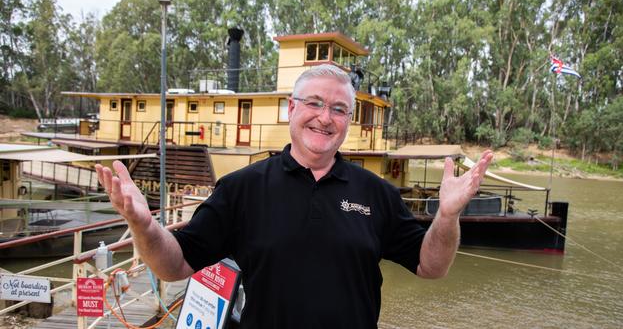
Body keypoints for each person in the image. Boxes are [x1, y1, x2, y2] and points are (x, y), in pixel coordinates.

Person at [96, 64, 493, 328]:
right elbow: (176, 265)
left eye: (339, 109)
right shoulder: (241, 188)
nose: (325, 117)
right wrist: (143, 223)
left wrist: (447, 216)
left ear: (348, 122)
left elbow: (431, 266)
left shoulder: (378, 193)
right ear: (291, 109)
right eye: (315, 103)